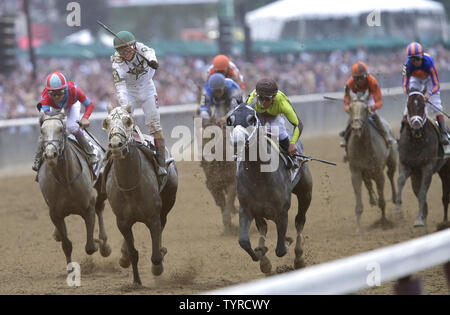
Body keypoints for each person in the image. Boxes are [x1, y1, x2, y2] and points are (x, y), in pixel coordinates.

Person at [110, 30, 167, 179]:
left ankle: (161, 163)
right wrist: (124, 104)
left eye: (128, 50)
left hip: (147, 87)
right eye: (121, 51)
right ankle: (121, 156)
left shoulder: (142, 48)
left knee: (154, 125)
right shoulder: (116, 62)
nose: (126, 54)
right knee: (123, 121)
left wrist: (153, 61)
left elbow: (150, 54)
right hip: (129, 91)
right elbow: (120, 87)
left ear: (134, 46)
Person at [32, 72, 98, 172]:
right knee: (48, 129)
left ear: (65, 88)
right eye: (53, 94)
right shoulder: (45, 96)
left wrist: (85, 117)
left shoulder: (75, 90)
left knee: (72, 128)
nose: (57, 96)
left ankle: (91, 155)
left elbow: (90, 105)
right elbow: (46, 117)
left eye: (59, 92)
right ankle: (37, 159)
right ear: (48, 92)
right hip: (54, 110)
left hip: (72, 106)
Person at [402, 41, 448, 145]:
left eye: (417, 59)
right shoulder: (406, 65)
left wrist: (429, 93)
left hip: (429, 80)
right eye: (412, 59)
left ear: (422, 56)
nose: (415, 62)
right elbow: (404, 83)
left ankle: (443, 133)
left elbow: (436, 84)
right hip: (415, 79)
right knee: (408, 107)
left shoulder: (429, 61)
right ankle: (402, 134)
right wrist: (409, 93)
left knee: (436, 106)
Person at [340, 61, 393, 148]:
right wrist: (348, 108)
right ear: (353, 78)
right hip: (356, 98)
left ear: (366, 75)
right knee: (354, 117)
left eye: (361, 77)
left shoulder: (372, 81)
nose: (360, 81)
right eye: (357, 78)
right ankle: (345, 138)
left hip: (369, 97)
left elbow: (379, 101)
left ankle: (385, 135)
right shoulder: (349, 84)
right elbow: (346, 99)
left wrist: (372, 107)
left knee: (374, 116)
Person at [246, 78, 303, 158]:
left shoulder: (283, 103)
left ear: (274, 97)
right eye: (261, 98)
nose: (263, 102)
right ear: (256, 95)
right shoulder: (251, 100)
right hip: (257, 116)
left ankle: (292, 160)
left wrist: (292, 143)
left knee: (280, 132)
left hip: (274, 118)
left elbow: (298, 124)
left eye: (267, 99)